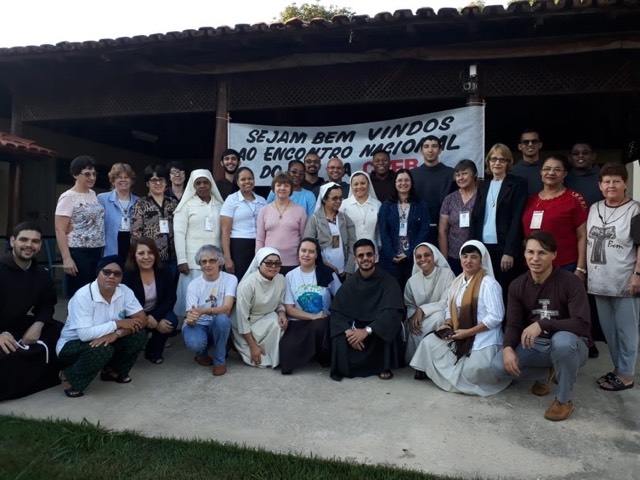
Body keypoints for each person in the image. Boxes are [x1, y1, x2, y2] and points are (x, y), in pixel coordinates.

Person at [491, 232, 590, 421]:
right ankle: (549, 372)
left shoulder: (571, 282)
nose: (535, 258)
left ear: (554, 255)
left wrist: (542, 324)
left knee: (562, 341)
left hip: (572, 344)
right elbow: (513, 323)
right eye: (530, 252)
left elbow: (582, 324)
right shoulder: (517, 285)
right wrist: (508, 348)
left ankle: (563, 399)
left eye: (542, 253)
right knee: (498, 367)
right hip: (537, 345)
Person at [410, 240, 509, 396]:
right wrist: (448, 323)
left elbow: (496, 318)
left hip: (483, 336)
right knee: (428, 343)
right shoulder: (457, 282)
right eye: (465, 256)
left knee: (471, 372)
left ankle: (447, 375)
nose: (468, 261)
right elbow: (450, 308)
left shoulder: (488, 284)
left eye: (473, 257)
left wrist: (468, 332)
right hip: (459, 332)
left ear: (481, 260)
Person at [56, 255, 148, 398]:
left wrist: (116, 334)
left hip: (106, 339)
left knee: (139, 335)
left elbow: (142, 319)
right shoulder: (83, 296)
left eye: (117, 274)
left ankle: (111, 371)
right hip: (71, 345)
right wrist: (117, 324)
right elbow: (84, 334)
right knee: (103, 349)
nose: (111, 276)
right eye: (106, 272)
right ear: (98, 273)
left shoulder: (124, 291)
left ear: (121, 277)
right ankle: (69, 375)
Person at [587, 163, 640, 391]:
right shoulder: (594, 208)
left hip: (624, 280)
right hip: (599, 282)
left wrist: (637, 274)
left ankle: (627, 374)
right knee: (610, 332)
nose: (611, 185)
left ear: (625, 184)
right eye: (606, 181)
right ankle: (618, 369)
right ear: (600, 185)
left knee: (626, 331)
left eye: (616, 181)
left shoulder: (635, 209)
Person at [0, 222, 63, 401]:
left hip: (19, 324)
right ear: (13, 241)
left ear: (40, 245)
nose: (29, 245)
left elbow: (47, 304)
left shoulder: (41, 274)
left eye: (35, 241)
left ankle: (57, 376)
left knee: (60, 332)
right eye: (24, 240)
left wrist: (38, 323)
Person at [330, 239, 405, 381]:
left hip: (375, 329)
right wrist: (349, 333)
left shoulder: (388, 281)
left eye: (369, 254)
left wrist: (366, 331)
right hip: (355, 330)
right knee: (338, 334)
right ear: (355, 259)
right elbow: (336, 311)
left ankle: (384, 367)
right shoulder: (350, 283)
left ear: (375, 257)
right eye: (361, 255)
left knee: (386, 328)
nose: (365, 258)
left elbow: (393, 312)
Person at [469, 143, 527, 303]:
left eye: (502, 159)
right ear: (488, 162)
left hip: (503, 249)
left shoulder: (517, 184)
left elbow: (517, 219)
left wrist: (509, 251)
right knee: (484, 291)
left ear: (508, 163)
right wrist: (472, 248)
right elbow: (475, 218)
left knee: (504, 291)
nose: (497, 163)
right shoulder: (483, 185)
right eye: (493, 159)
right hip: (483, 247)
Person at [280, 238, 341, 374]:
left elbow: (341, 298)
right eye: (303, 250)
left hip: (322, 322)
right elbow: (289, 308)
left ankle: (322, 354)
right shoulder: (290, 276)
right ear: (298, 252)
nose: (306, 255)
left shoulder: (326, 273)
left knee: (320, 325)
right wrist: (312, 316)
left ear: (316, 255)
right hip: (299, 322)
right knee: (286, 353)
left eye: (311, 252)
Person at [522, 154, 588, 275]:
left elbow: (583, 236)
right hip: (534, 265)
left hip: (565, 266)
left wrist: (580, 268)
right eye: (547, 169)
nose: (551, 173)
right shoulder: (531, 200)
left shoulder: (574, 199)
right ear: (541, 172)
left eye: (557, 170)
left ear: (565, 174)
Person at [173, 169, 224, 316]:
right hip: (192, 262)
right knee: (192, 299)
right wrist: (181, 260)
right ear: (193, 186)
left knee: (212, 297)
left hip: (214, 260)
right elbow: (179, 234)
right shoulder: (186, 205)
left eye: (205, 182)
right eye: (198, 183)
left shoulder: (219, 205)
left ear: (211, 184)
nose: (202, 186)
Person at [54, 155, 105, 298]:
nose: (92, 177)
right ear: (76, 175)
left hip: (97, 249)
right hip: (79, 251)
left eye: (94, 174)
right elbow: (60, 229)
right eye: (87, 174)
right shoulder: (68, 197)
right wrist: (66, 258)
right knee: (80, 292)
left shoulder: (93, 194)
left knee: (93, 292)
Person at [122, 237, 178, 365]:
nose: (146, 257)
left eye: (150, 252)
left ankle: (153, 351)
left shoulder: (164, 270)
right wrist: (149, 320)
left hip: (156, 311)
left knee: (171, 321)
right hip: (134, 314)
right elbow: (127, 304)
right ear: (134, 256)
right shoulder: (128, 274)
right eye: (141, 253)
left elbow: (170, 298)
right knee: (137, 330)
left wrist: (155, 317)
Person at [183, 245, 237, 376]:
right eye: (204, 261)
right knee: (196, 342)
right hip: (199, 324)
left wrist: (203, 311)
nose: (208, 265)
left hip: (217, 322)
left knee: (223, 319)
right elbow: (192, 313)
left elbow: (227, 307)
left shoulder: (230, 279)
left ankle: (219, 361)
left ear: (220, 262)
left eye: (212, 260)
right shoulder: (193, 285)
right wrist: (191, 319)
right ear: (199, 264)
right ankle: (201, 354)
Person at [232, 247, 287, 368]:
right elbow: (242, 319)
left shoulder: (281, 279)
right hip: (247, 325)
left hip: (266, 318)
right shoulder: (247, 285)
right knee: (255, 357)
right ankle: (254, 347)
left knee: (277, 322)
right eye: (268, 263)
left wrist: (282, 313)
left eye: (277, 263)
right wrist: (253, 346)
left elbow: (280, 302)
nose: (273, 266)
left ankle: (273, 356)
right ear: (259, 264)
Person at [404, 242, 456, 370]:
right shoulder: (412, 281)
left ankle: (431, 362)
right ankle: (419, 364)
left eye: (427, 255)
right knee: (416, 324)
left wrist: (422, 309)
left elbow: (447, 301)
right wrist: (412, 317)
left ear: (434, 256)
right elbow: (409, 304)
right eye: (419, 257)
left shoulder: (447, 274)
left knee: (438, 317)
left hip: (444, 316)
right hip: (419, 319)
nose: (423, 259)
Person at [378, 169, 430, 290]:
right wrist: (391, 255)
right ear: (395, 183)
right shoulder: (386, 206)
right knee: (394, 292)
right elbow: (383, 232)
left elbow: (424, 231)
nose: (403, 183)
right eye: (399, 180)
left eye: (406, 180)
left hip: (414, 258)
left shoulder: (421, 205)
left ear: (411, 182)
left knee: (413, 291)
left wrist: (409, 253)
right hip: (392, 259)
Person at [130, 164, 179, 279]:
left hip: (173, 257)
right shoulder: (140, 204)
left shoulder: (174, 203)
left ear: (166, 182)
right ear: (147, 184)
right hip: (150, 259)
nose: (158, 183)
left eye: (161, 180)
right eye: (153, 180)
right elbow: (135, 234)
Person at [220, 166, 267, 279]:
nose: (247, 182)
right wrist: (227, 258)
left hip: (259, 244)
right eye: (243, 179)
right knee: (240, 279)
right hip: (239, 246)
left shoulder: (262, 200)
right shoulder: (231, 200)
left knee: (258, 279)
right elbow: (225, 231)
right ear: (237, 181)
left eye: (250, 179)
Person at [256, 173, 307, 275]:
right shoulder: (264, 211)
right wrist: (259, 260)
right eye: (279, 185)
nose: (282, 188)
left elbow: (304, 239)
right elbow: (260, 239)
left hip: (293, 262)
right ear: (273, 188)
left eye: (286, 185)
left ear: (291, 189)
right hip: (269, 263)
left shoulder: (300, 211)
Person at [304, 182, 357, 281]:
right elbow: (308, 245)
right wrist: (323, 264)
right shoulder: (315, 220)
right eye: (334, 198)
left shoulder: (345, 219)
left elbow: (353, 244)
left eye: (340, 198)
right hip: (322, 270)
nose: (338, 201)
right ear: (324, 199)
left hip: (343, 273)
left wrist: (349, 268)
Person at [410, 135, 455, 246]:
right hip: (417, 231)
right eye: (426, 146)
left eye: (434, 146)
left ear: (440, 150)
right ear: (421, 151)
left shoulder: (451, 174)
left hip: (447, 231)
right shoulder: (412, 175)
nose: (430, 150)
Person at [438, 159, 478, 275]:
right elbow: (442, 230)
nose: (461, 178)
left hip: (475, 254)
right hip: (454, 256)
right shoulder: (449, 199)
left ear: (474, 175)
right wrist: (445, 259)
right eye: (458, 175)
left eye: (465, 174)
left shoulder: (482, 196)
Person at [97, 162, 138, 263]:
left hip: (131, 246)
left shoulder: (139, 201)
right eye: (119, 177)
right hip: (110, 247)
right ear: (113, 180)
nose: (123, 180)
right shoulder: (102, 199)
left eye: (127, 177)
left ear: (131, 180)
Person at [340, 171, 381, 251]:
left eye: (362, 183)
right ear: (351, 186)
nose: (359, 186)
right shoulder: (344, 205)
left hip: (372, 251)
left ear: (368, 184)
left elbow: (379, 231)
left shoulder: (377, 204)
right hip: (351, 251)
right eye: (355, 184)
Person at [565, 141, 604, 206]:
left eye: (585, 153)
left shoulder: (604, 177)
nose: (580, 156)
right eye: (576, 153)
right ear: (570, 158)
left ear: (593, 156)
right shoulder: (562, 179)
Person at [511, 129, 543, 196]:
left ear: (540, 145)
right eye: (526, 142)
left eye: (534, 141)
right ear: (520, 147)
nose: (530, 144)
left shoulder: (548, 170)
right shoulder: (511, 171)